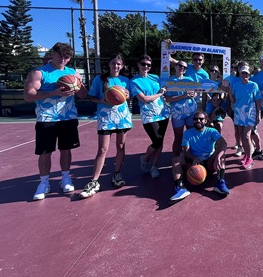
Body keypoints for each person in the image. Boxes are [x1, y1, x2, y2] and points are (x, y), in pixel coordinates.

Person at [23, 42, 87, 201]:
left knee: (66, 150)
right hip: (46, 118)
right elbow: (28, 95)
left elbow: (83, 95)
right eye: (60, 56)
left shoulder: (73, 73)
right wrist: (54, 92)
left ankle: (65, 178)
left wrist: (78, 85)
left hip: (68, 117)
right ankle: (44, 183)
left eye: (67, 57)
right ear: (52, 54)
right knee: (45, 152)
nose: (63, 60)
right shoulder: (39, 73)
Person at [80, 53, 133, 199]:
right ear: (109, 64)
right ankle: (94, 181)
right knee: (102, 149)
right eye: (114, 63)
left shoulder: (125, 80)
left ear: (122, 66)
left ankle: (117, 174)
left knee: (121, 146)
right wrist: (102, 100)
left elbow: (128, 97)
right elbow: (92, 97)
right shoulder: (100, 79)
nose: (116, 66)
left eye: (119, 64)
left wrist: (127, 95)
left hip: (122, 118)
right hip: (106, 118)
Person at [170, 110, 228, 201]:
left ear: (206, 120)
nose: (198, 121)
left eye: (201, 119)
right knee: (175, 160)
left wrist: (217, 157)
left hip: (209, 162)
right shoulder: (188, 133)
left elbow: (223, 143)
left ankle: (220, 182)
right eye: (196, 119)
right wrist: (194, 158)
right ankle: (180, 188)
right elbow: (186, 151)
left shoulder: (212, 131)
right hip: (194, 164)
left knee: (221, 155)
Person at [131, 54, 171, 179]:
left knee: (160, 141)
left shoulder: (155, 77)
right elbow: (144, 99)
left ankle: (154, 166)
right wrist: (160, 94)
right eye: (143, 64)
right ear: (138, 64)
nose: (146, 66)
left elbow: (167, 85)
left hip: (163, 113)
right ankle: (145, 158)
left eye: (148, 65)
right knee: (157, 140)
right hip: (148, 115)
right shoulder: (134, 81)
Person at [229, 63, 262, 169]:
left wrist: (258, 113)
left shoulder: (253, 85)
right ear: (240, 74)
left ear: (249, 74)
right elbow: (233, 100)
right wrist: (229, 90)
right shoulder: (235, 85)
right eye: (243, 73)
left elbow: (258, 100)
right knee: (241, 135)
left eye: (246, 73)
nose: (244, 75)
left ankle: (249, 158)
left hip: (250, 114)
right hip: (239, 113)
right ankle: (246, 155)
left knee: (246, 136)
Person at [165, 60, 198, 156]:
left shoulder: (189, 79)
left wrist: (194, 94)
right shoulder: (170, 81)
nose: (182, 68)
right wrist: (184, 96)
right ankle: (176, 158)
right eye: (180, 65)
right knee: (178, 137)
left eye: (185, 67)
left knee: (192, 136)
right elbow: (168, 99)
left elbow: (195, 92)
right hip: (177, 114)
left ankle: (192, 157)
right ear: (175, 66)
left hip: (191, 112)